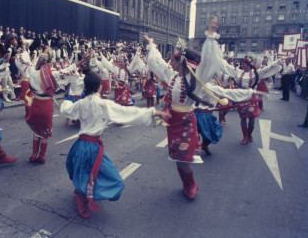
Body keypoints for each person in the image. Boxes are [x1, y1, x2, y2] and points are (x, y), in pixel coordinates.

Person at [62, 71, 167, 218]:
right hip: (91, 147)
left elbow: (67, 109)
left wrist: (66, 101)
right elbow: (127, 113)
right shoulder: (104, 104)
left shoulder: (80, 103)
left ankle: (81, 191)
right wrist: (153, 113)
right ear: (99, 86)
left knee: (85, 170)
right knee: (113, 180)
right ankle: (80, 197)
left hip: (81, 145)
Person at [145, 17, 222, 199]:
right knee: (178, 159)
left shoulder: (193, 80)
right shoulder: (172, 76)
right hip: (173, 122)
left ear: (182, 61)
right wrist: (151, 45)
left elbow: (208, 63)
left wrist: (210, 37)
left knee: (185, 160)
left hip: (186, 121)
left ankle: (191, 184)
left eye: (172, 59)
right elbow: (157, 63)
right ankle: (186, 184)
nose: (169, 62)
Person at [16, 40, 91, 164]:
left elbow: (24, 62)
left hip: (35, 104)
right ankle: (41, 156)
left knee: (36, 132)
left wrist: (23, 48)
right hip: (46, 106)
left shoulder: (32, 71)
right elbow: (68, 70)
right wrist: (82, 61)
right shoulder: (53, 74)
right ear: (49, 63)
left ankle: (34, 154)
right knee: (45, 134)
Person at [220, 53, 284, 145]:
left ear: (249, 64)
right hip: (241, 98)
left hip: (251, 99)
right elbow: (226, 66)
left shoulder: (256, 73)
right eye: (242, 63)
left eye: (244, 63)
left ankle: (249, 134)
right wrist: (217, 57)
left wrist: (278, 60)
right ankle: (245, 136)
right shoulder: (238, 72)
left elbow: (268, 68)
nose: (242, 65)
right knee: (243, 118)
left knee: (252, 119)